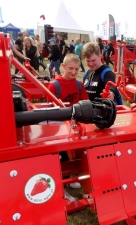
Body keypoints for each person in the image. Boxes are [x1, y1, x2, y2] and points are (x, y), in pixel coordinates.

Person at [48, 54, 89, 203]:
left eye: (77, 69)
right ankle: (62, 189)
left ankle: (71, 180)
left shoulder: (79, 85)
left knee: (77, 154)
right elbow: (49, 110)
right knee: (63, 158)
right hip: (59, 129)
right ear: (63, 67)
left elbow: (85, 103)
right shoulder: (54, 86)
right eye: (70, 68)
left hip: (74, 126)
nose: (73, 72)